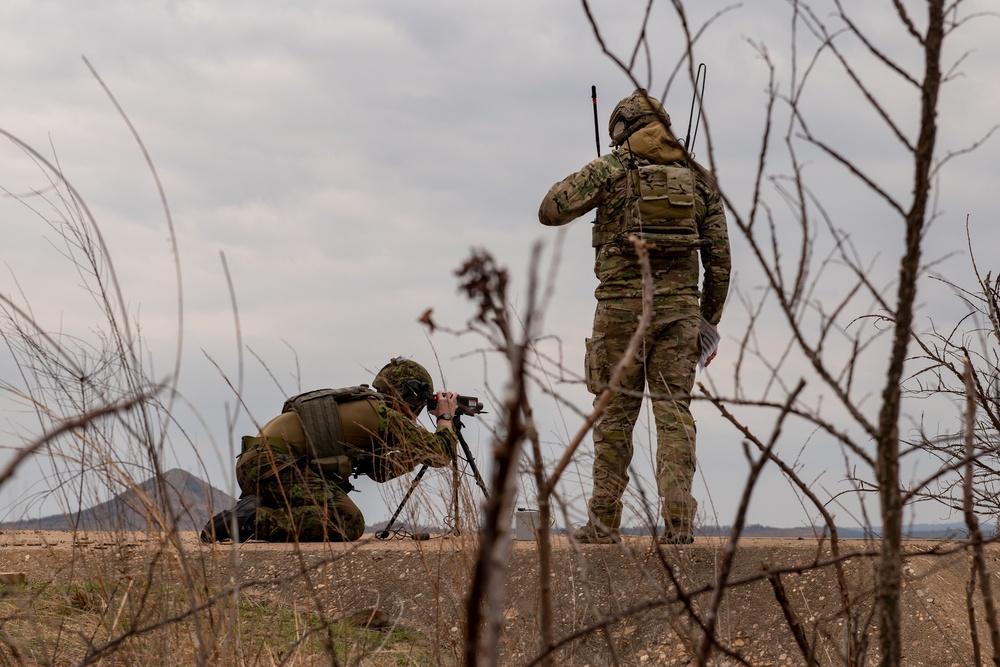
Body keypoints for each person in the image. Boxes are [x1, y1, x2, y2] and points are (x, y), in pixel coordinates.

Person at [538, 89, 731, 544]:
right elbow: (720, 263)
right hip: (681, 317)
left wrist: (599, 177)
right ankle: (680, 525)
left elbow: (550, 209)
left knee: (613, 417)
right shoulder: (699, 180)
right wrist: (706, 324)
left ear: (623, 128)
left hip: (621, 314)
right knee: (674, 416)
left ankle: (604, 524)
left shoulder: (612, 168)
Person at [201, 357, 459, 543]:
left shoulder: (366, 407)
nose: (417, 412)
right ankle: (250, 521)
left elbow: (378, 472)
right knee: (348, 521)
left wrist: (412, 456)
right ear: (410, 394)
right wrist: (445, 418)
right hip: (275, 466)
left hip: (257, 466)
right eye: (421, 403)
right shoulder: (384, 415)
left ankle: (258, 505)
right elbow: (440, 454)